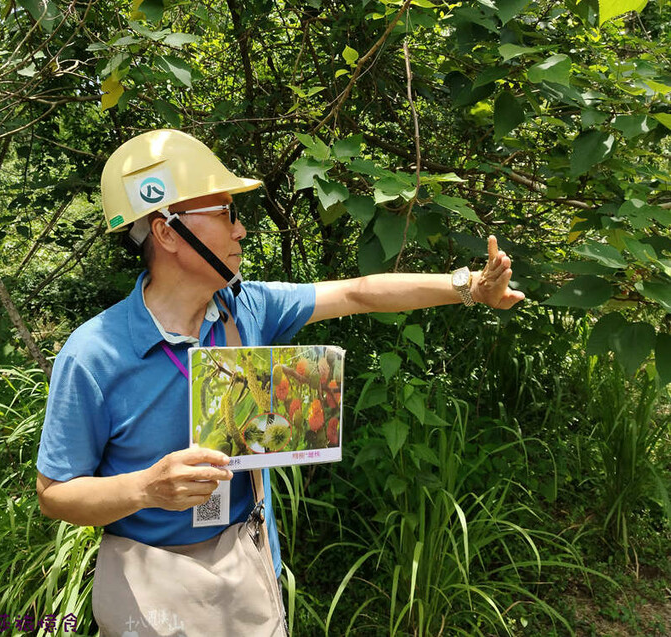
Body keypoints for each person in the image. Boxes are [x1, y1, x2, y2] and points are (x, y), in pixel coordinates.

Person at [34, 129, 525, 634]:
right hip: (150, 591)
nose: (241, 230)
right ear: (166, 233)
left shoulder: (247, 309)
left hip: (246, 572)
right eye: (226, 213)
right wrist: (145, 489)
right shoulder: (95, 354)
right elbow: (54, 495)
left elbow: (358, 293)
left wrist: (467, 287)